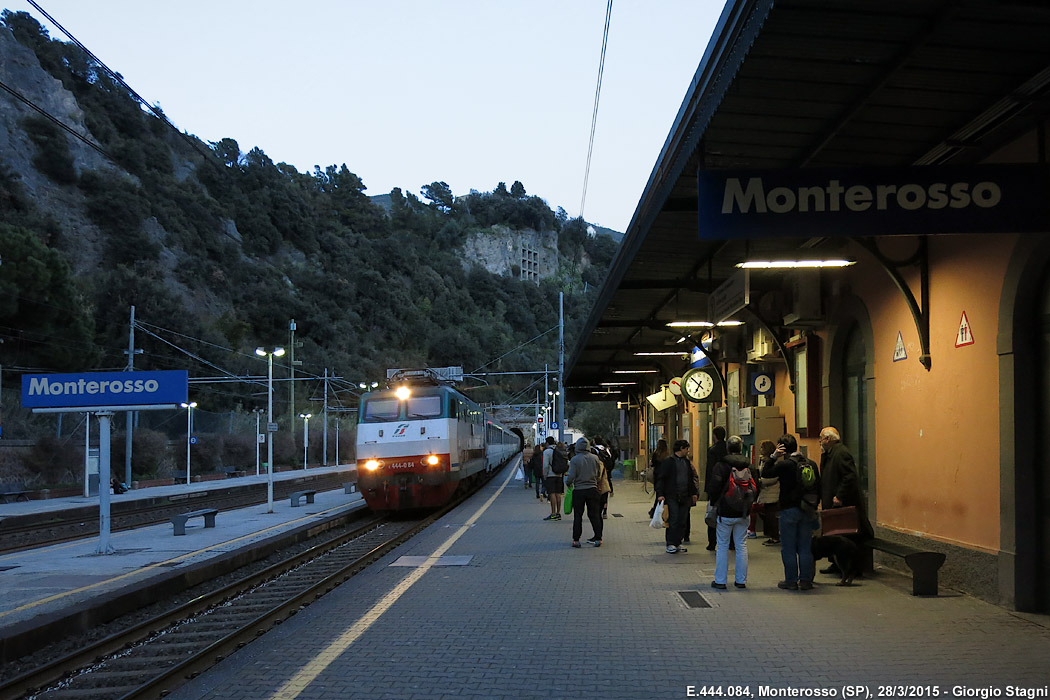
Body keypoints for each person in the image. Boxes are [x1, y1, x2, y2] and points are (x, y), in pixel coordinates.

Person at [762, 434, 820, 590]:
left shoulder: (785, 465)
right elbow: (818, 487)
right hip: (807, 510)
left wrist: (773, 456)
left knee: (788, 547)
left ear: (782, 449)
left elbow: (765, 473)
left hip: (789, 510)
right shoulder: (811, 464)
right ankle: (806, 580)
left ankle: (791, 580)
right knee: (804, 547)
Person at [817, 426, 874, 573]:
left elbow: (849, 476)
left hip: (842, 503)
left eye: (821, 438)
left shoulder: (841, 453)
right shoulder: (831, 453)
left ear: (828, 439)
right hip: (833, 502)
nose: (820, 442)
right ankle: (837, 564)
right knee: (835, 534)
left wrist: (839, 496)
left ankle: (848, 566)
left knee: (843, 535)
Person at [706, 435, 752, 589]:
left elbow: (714, 488)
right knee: (741, 545)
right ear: (740, 448)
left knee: (723, 545)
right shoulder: (748, 465)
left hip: (725, 511)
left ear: (728, 448)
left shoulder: (721, 465)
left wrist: (714, 504)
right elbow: (755, 486)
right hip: (744, 512)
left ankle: (720, 580)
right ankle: (741, 580)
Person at [656, 439, 699, 554]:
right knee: (673, 519)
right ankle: (670, 543)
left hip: (685, 496)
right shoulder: (669, 462)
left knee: (682, 520)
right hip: (672, 495)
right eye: (686, 448)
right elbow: (661, 479)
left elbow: (691, 479)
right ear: (681, 449)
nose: (688, 451)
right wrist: (660, 494)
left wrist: (693, 493)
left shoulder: (686, 462)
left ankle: (678, 542)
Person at [565, 437, 604, 547]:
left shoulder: (575, 460)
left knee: (578, 516)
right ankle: (598, 538)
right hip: (592, 489)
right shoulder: (595, 458)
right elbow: (598, 473)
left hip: (579, 490)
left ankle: (576, 540)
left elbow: (571, 476)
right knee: (595, 515)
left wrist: (568, 483)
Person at [705, 426, 728, 551]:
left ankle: (712, 543)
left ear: (714, 436)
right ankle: (730, 543)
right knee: (727, 515)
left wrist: (708, 489)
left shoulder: (712, 451)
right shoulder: (727, 448)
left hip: (715, 486)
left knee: (712, 514)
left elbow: (710, 471)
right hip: (727, 487)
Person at [755, 440, 780, 545]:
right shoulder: (762, 461)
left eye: (762, 447)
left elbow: (774, 477)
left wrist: (762, 481)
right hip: (764, 490)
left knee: (771, 515)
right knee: (766, 513)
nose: (760, 449)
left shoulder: (773, 462)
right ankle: (771, 535)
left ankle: (775, 537)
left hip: (772, 490)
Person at [541, 437, 564, 521]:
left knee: (552, 494)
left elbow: (546, 465)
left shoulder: (547, 452)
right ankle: (558, 513)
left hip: (551, 475)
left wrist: (545, 475)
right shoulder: (560, 450)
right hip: (559, 475)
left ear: (547, 443)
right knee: (558, 494)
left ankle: (553, 513)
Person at [592, 436, 616, 518]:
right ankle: (605, 511)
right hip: (606, 474)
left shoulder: (594, 450)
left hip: (598, 474)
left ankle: (597, 510)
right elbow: (611, 460)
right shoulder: (606, 449)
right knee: (605, 493)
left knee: (597, 492)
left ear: (595, 442)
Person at [647, 439, 670, 519]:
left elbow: (652, 463)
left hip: (657, 475)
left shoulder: (656, 454)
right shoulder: (667, 454)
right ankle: (655, 511)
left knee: (658, 494)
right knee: (662, 495)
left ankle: (654, 511)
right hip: (665, 475)